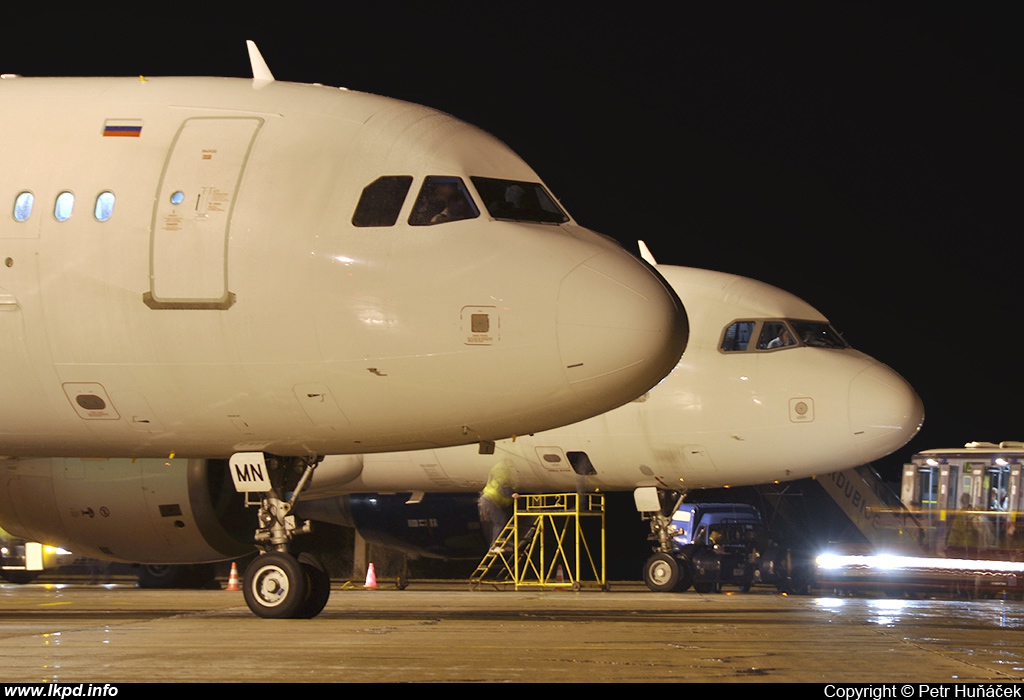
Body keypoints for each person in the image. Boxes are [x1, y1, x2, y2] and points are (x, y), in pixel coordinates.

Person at [479, 459, 518, 550]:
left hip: (487, 499)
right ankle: (494, 545)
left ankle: (502, 542)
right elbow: (502, 486)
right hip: (490, 500)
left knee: (501, 520)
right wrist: (512, 493)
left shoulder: (498, 468)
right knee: (500, 522)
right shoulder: (503, 470)